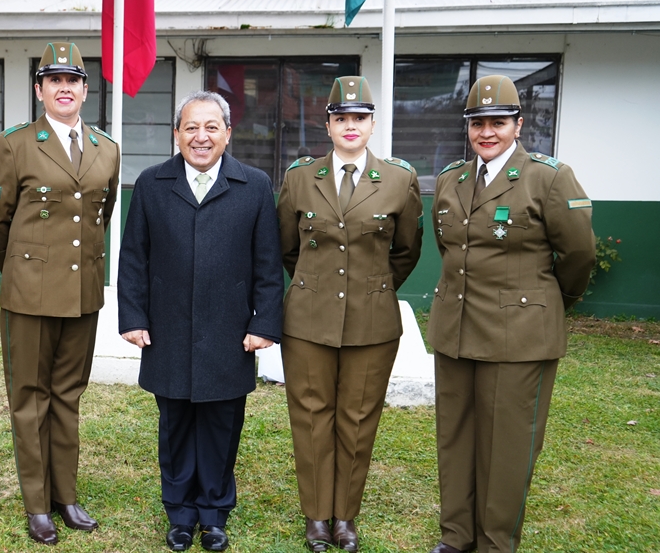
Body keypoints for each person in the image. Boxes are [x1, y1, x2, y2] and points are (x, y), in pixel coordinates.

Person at [426, 75, 595, 553]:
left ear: (518, 125)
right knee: (455, 439)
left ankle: (495, 543)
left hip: (518, 335)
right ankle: (456, 536)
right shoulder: (450, 180)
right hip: (456, 330)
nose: (487, 132)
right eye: (478, 123)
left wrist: (548, 303)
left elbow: (579, 255)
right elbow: (451, 250)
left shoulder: (548, 177)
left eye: (498, 122)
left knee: (506, 447)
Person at [118, 90, 284, 552]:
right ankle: (179, 514)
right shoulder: (152, 184)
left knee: (220, 426)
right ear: (177, 134)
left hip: (230, 335)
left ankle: (213, 514)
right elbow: (133, 257)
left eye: (211, 127)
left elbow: (267, 265)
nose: (201, 136)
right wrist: (132, 317)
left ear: (228, 133)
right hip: (167, 331)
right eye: (191, 127)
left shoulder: (253, 185)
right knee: (175, 426)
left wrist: (264, 324)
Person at [277, 76, 424, 553]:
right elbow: (287, 247)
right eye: (341, 118)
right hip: (308, 319)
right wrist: (318, 286)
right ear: (328, 124)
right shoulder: (300, 177)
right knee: (312, 417)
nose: (350, 126)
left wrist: (370, 289)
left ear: (372, 123)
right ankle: (317, 516)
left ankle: (345, 517)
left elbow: (405, 251)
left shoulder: (400, 179)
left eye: (359, 118)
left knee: (359, 420)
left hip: (371, 320)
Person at [0, 42, 120, 546]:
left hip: (83, 294)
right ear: (40, 90)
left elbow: (97, 218)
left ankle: (67, 495)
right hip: (30, 295)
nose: (65, 88)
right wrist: (25, 270)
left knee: (68, 396)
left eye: (74, 80)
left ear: (85, 89)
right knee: (30, 399)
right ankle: (37, 505)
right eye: (54, 80)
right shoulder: (14, 144)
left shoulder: (107, 148)